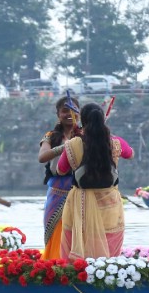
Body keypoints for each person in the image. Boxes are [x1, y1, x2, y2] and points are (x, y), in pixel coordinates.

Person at [54, 103, 134, 259]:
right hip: (109, 205)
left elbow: (60, 170)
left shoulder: (73, 144)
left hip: (80, 206)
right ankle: (106, 278)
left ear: (82, 121)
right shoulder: (116, 142)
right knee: (109, 253)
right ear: (102, 120)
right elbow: (130, 154)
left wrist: (72, 145)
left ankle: (75, 279)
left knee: (74, 247)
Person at [38, 95, 81, 259]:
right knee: (55, 231)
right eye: (65, 111)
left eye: (73, 110)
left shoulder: (84, 135)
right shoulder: (51, 136)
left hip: (79, 189)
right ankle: (53, 265)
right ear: (58, 114)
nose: (69, 114)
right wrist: (67, 146)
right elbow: (42, 157)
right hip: (57, 190)